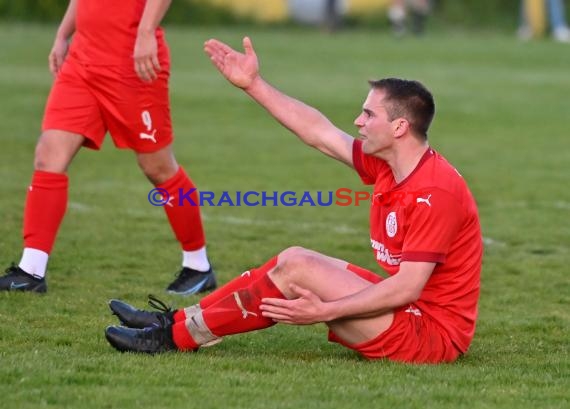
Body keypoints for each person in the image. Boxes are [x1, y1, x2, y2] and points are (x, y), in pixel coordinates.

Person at [104, 36, 483, 364]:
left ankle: (170, 341)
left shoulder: (435, 191)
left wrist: (323, 311)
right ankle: (175, 322)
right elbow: (319, 132)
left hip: (430, 337)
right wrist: (253, 84)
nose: (358, 121)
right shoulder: (391, 163)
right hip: (409, 313)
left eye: (369, 114)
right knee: (291, 258)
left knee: (299, 267)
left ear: (400, 127)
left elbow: (406, 289)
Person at [0, 0, 216, 295]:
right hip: (82, 62)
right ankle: (31, 270)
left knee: (158, 167)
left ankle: (198, 266)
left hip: (133, 63)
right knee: (48, 154)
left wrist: (146, 32)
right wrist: (63, 34)